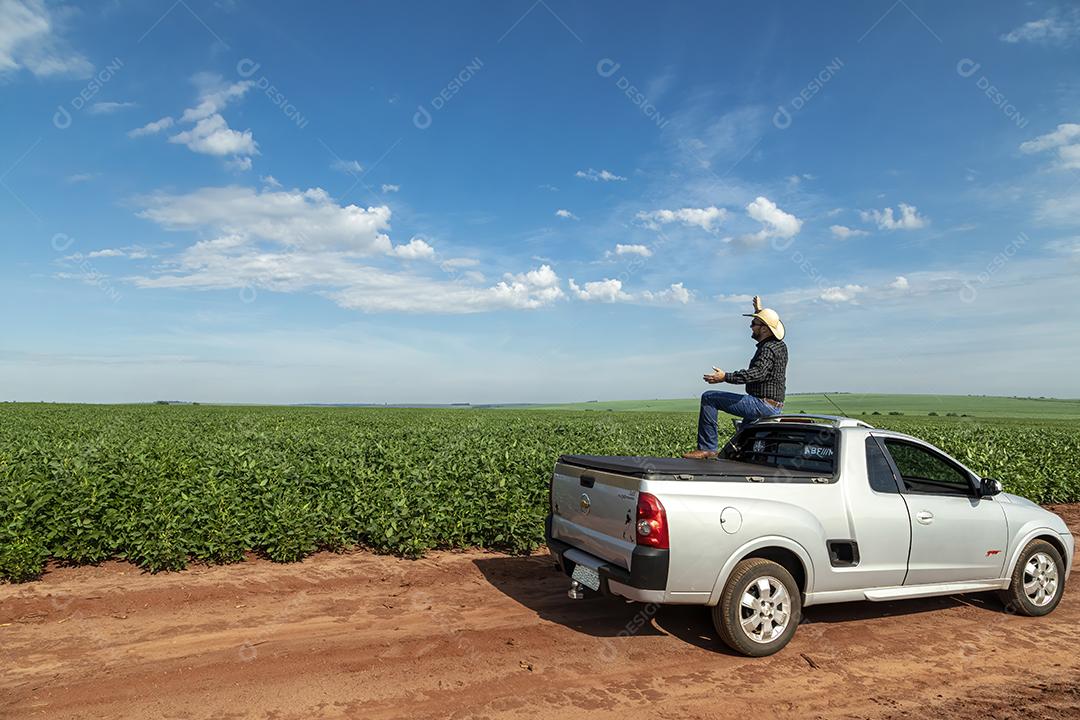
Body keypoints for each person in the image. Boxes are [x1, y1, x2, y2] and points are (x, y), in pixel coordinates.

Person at [682, 296, 788, 459]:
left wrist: (725, 377)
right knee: (739, 449)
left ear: (765, 329)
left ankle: (708, 448)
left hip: (761, 405)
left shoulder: (767, 350)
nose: (751, 327)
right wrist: (759, 312)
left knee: (709, 397)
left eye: (754, 324)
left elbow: (757, 373)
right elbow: (767, 323)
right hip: (773, 405)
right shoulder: (779, 345)